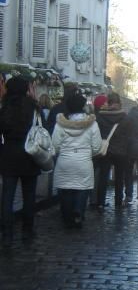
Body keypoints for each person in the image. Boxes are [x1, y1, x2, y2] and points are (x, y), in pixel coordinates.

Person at [0, 76, 41, 245]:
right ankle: (27, 230)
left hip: (9, 153)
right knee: (29, 195)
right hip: (29, 153)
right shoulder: (33, 108)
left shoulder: (4, 107)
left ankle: (7, 233)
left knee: (7, 196)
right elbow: (41, 129)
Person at [52, 92, 102, 229]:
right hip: (83, 161)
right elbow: (97, 147)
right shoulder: (92, 124)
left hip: (65, 161)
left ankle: (67, 216)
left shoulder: (60, 124)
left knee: (66, 189)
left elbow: (54, 145)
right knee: (82, 188)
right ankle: (78, 211)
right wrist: (86, 153)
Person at [96, 92, 130, 210]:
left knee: (103, 177)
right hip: (120, 151)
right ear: (119, 103)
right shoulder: (124, 117)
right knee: (119, 178)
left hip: (106, 150)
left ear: (108, 102)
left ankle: (100, 202)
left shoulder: (100, 116)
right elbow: (127, 135)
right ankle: (118, 202)